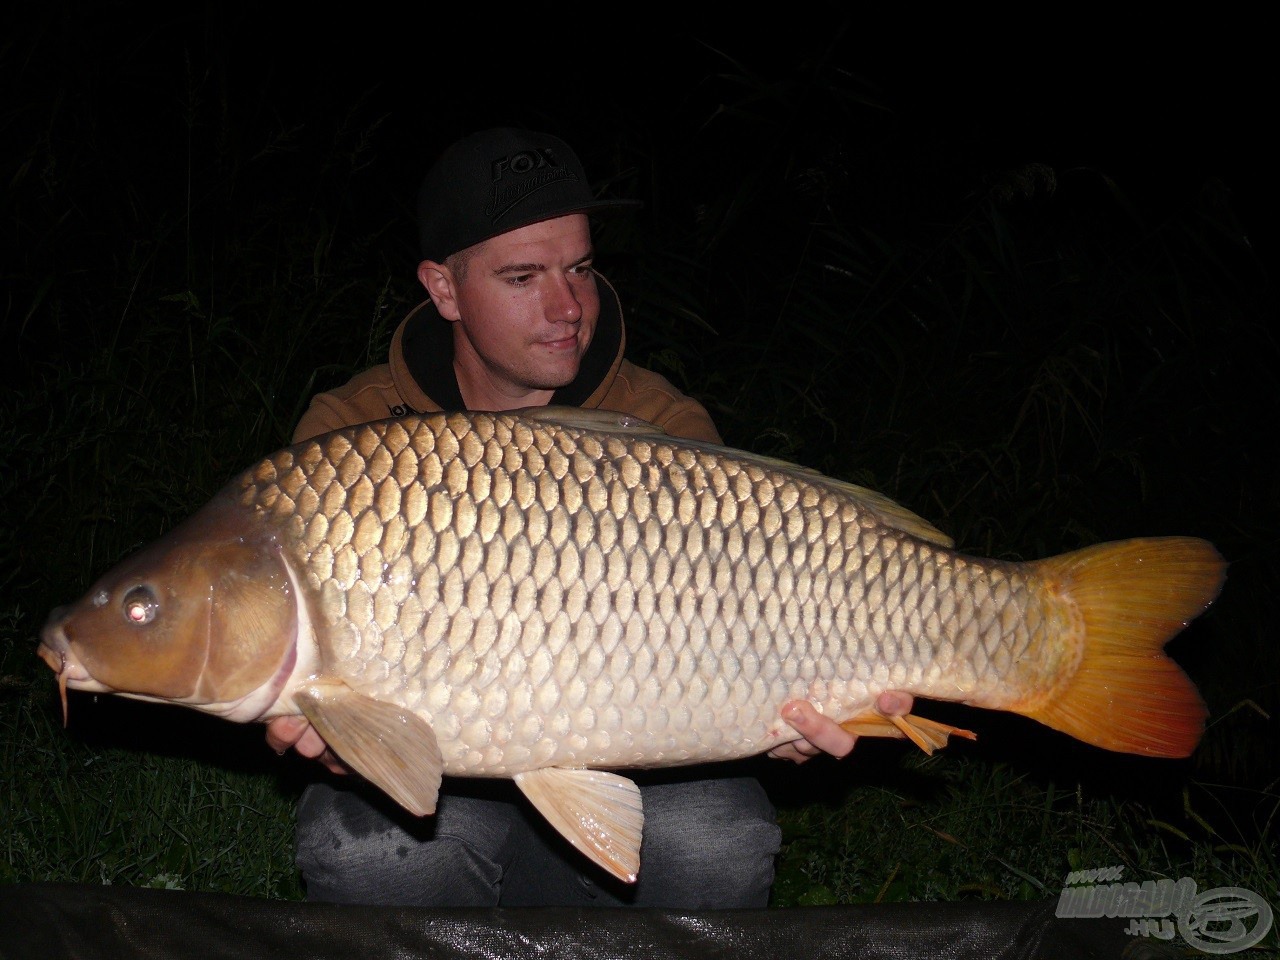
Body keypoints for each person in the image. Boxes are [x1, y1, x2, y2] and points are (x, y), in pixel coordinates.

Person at [266, 126, 915, 908]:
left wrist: (795, 721)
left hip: (635, 753)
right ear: (443, 288)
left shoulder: (659, 423)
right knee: (376, 857)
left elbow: (744, 635)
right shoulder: (354, 437)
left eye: (578, 267)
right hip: (441, 761)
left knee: (716, 845)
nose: (568, 306)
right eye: (521, 277)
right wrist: (341, 745)